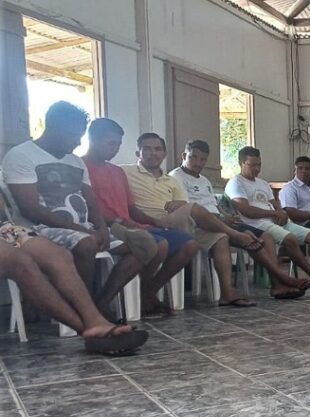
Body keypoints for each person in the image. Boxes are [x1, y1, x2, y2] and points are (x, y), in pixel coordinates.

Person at [1, 102, 142, 313]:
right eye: (73, 135)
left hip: (82, 228)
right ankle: (82, 309)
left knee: (141, 247)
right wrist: (84, 231)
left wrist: (101, 227)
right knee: (86, 243)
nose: (77, 142)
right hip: (38, 229)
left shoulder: (75, 161)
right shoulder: (21, 155)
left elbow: (91, 201)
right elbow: (31, 209)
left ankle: (98, 302)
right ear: (53, 128)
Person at [84, 121, 200, 317]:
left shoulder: (116, 171)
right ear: (93, 139)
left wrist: (154, 221)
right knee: (158, 245)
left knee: (190, 244)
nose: (115, 149)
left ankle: (146, 292)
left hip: (130, 224)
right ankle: (110, 300)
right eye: (111, 143)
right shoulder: (82, 167)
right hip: (106, 225)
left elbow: (130, 208)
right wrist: (120, 222)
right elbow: (86, 208)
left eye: (118, 144)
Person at [169, 139, 309, 300]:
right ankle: (282, 279)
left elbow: (213, 204)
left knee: (265, 237)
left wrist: (225, 215)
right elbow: (189, 209)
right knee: (248, 237)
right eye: (193, 157)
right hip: (199, 224)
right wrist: (221, 219)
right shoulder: (176, 177)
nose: (198, 163)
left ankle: (277, 284)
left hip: (219, 221)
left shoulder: (204, 180)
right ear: (184, 156)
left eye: (203, 159)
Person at [0, 219, 148, 355]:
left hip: (4, 228)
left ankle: (95, 321)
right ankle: (91, 330)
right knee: (21, 263)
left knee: (59, 256)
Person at [226, 147, 310, 287]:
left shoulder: (263, 183)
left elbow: (275, 205)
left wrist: (281, 213)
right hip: (257, 223)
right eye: (252, 165)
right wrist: (274, 213)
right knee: (290, 238)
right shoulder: (236, 183)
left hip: (275, 221)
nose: (257, 169)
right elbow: (246, 211)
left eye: (259, 164)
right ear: (241, 163)